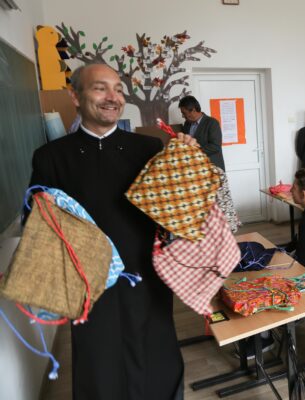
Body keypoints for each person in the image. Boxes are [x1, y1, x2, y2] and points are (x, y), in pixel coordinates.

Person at [29, 64, 192, 399]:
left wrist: (186, 163)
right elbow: (38, 227)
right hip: (89, 285)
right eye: (100, 88)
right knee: (98, 363)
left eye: (118, 89)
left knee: (157, 358)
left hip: (147, 277)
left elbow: (175, 216)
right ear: (75, 96)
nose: (113, 97)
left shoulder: (149, 149)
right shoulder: (51, 157)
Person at [179, 95, 226, 170]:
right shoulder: (187, 124)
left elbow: (215, 146)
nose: (183, 116)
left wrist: (195, 150)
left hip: (212, 168)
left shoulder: (212, 123)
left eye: (184, 113)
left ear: (193, 110)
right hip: (195, 168)